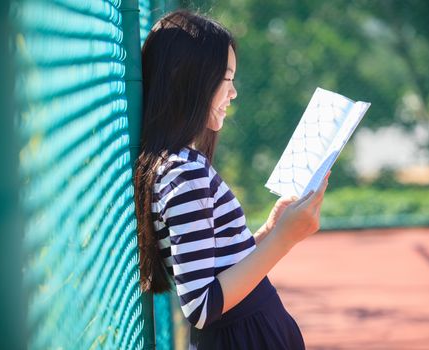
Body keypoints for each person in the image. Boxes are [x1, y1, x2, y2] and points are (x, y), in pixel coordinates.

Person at [134, 10, 330, 350]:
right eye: (227, 79)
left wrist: (267, 232)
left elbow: (216, 266)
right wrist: (283, 240)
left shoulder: (177, 164)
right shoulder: (184, 172)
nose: (234, 93)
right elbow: (201, 305)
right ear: (189, 79)